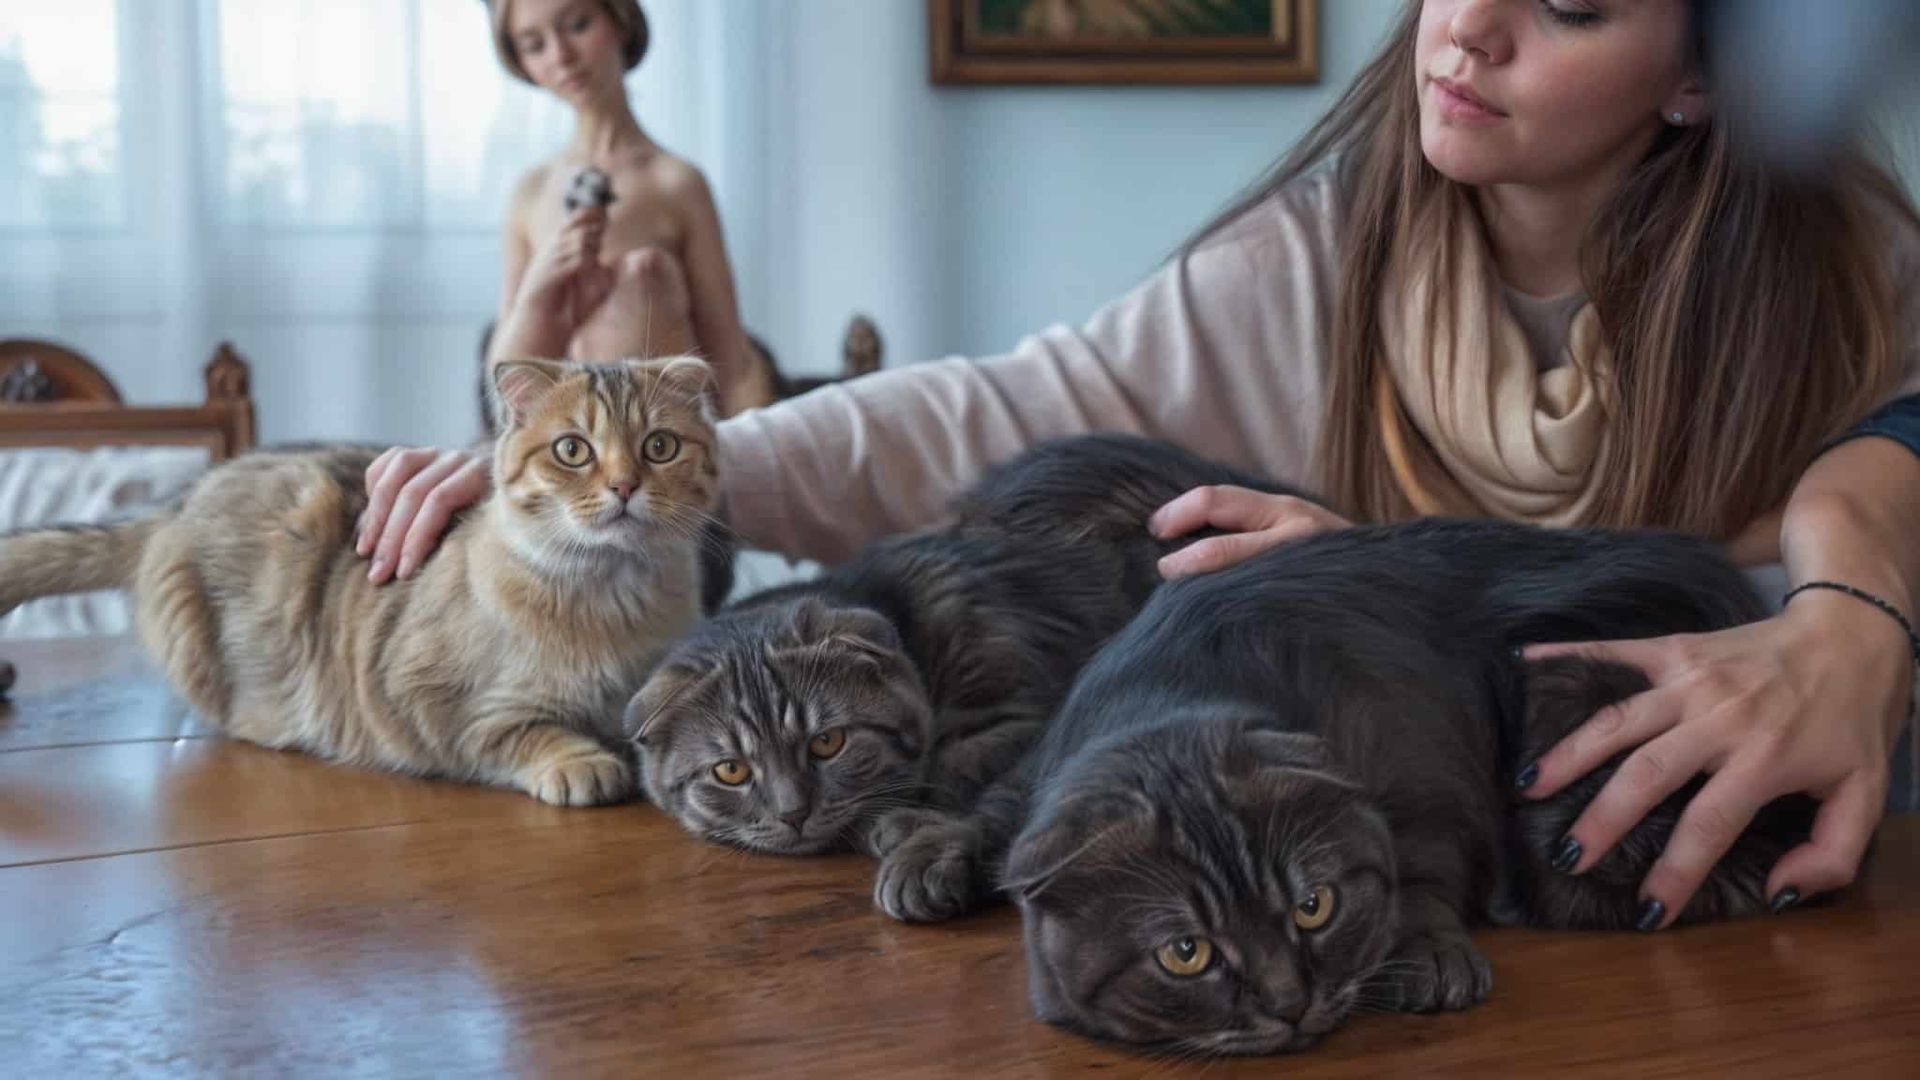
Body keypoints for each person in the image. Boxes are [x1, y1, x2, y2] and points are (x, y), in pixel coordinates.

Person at [363, 0, 1920, 930]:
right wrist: (600, 472)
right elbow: (1001, 410)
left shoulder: (1852, 277)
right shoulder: (1321, 260)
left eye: (1571, 4)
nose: (1466, 29)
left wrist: (1857, 624)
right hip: (1384, 924)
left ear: (1703, 75)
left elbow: (1877, 485)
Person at [483, 0, 770, 415]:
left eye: (578, 25)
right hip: (569, 451)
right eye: (534, 44)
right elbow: (504, 385)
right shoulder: (531, 194)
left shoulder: (676, 183)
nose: (561, 56)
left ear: (620, 21)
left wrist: (756, 460)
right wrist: (538, 290)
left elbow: (730, 361)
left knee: (645, 272)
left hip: (663, 446)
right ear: (519, 62)